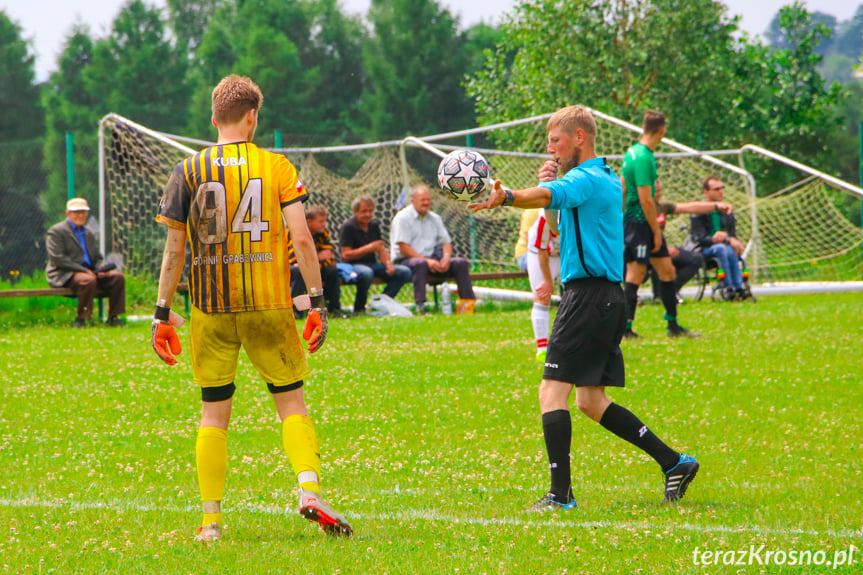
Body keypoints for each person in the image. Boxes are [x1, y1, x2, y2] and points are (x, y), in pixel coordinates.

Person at [150, 74, 352, 541]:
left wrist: (162, 312)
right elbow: (302, 237)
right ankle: (308, 488)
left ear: (213, 118)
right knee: (291, 402)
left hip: (211, 310)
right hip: (268, 304)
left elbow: (173, 252)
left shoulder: (187, 170)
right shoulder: (276, 166)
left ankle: (211, 522)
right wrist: (317, 303)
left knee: (213, 412)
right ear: (253, 117)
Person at [470, 105, 699, 511]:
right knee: (590, 401)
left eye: (555, 140)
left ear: (579, 138)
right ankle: (674, 462)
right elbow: (557, 225)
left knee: (550, 391)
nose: (551, 149)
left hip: (589, 297)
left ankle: (560, 496)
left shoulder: (587, 177)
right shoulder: (601, 178)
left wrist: (506, 196)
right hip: (604, 298)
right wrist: (548, 195)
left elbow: (545, 194)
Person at [621, 110, 697, 338]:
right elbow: (646, 200)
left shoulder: (631, 152)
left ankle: (673, 325)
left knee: (667, 270)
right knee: (634, 275)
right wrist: (655, 232)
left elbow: (623, 186)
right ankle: (625, 328)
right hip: (640, 223)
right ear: (662, 130)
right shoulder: (644, 158)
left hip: (635, 222)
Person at [390, 185, 476, 314]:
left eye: (428, 200)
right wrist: (427, 261)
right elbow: (403, 248)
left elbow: (446, 242)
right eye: (422, 200)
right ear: (412, 201)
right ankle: (421, 306)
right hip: (407, 261)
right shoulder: (402, 218)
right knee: (420, 264)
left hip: (432, 260)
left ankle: (467, 305)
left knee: (460, 263)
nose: (426, 203)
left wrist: (445, 258)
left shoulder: (435, 218)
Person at [45, 197, 125, 327]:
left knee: (117, 277)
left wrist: (101, 268)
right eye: (77, 212)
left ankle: (114, 317)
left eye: (83, 212)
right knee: (87, 280)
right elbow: (58, 259)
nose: (80, 215)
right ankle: (82, 319)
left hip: (90, 272)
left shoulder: (89, 233)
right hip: (65, 273)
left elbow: (97, 257)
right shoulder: (56, 232)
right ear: (68, 214)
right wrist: (83, 270)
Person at [646, 184, 734, 302]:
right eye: (656, 191)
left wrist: (716, 206)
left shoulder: (662, 206)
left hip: (660, 248)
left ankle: (669, 292)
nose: (659, 194)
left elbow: (689, 207)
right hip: (639, 251)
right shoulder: (636, 210)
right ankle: (640, 298)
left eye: (660, 191)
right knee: (660, 258)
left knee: (694, 259)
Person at [339, 195, 411, 314]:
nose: (368, 214)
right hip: (353, 265)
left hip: (372, 263)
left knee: (404, 272)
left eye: (370, 211)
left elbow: (380, 247)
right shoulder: (348, 227)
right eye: (364, 211)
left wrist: (388, 264)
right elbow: (346, 254)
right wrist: (368, 248)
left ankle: (381, 303)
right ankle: (359, 309)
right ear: (355, 212)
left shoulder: (374, 225)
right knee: (367, 273)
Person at [688, 176, 749, 299]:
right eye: (716, 189)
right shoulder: (698, 211)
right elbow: (700, 238)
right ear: (706, 192)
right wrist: (723, 239)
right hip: (702, 249)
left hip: (724, 248)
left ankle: (739, 288)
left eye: (722, 188)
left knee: (729, 249)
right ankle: (728, 287)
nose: (721, 191)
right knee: (722, 248)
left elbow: (732, 234)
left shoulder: (726, 211)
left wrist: (730, 239)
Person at [289, 205, 344, 317]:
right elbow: (294, 260)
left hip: (313, 267)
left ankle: (333, 309)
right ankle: (297, 311)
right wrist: (317, 257)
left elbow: (329, 257)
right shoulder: (295, 232)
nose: (324, 224)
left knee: (332, 271)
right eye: (320, 221)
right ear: (309, 222)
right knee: (299, 271)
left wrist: (311, 261)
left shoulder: (323, 233)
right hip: (290, 267)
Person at [526, 209, 560, 362]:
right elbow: (542, 250)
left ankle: (573, 343)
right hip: (540, 254)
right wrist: (547, 280)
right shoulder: (545, 218)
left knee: (578, 295)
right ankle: (542, 349)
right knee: (542, 296)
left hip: (564, 253)